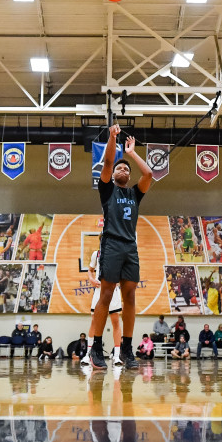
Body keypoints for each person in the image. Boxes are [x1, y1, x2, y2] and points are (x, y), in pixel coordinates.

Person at [81, 124, 153, 371]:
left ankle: (126, 349)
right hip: (111, 243)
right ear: (113, 175)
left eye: (126, 169)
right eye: (119, 168)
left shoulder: (135, 193)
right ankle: (97, 347)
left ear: (129, 176)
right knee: (106, 294)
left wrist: (132, 153)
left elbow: (149, 174)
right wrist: (113, 137)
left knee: (130, 296)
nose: (122, 169)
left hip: (129, 247)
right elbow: (109, 161)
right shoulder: (107, 189)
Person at [87, 227, 123, 364]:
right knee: (94, 322)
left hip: (113, 291)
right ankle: (89, 354)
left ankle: (117, 356)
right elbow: (90, 271)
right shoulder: (96, 254)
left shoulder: (118, 254)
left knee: (115, 322)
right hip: (99, 291)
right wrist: (91, 279)